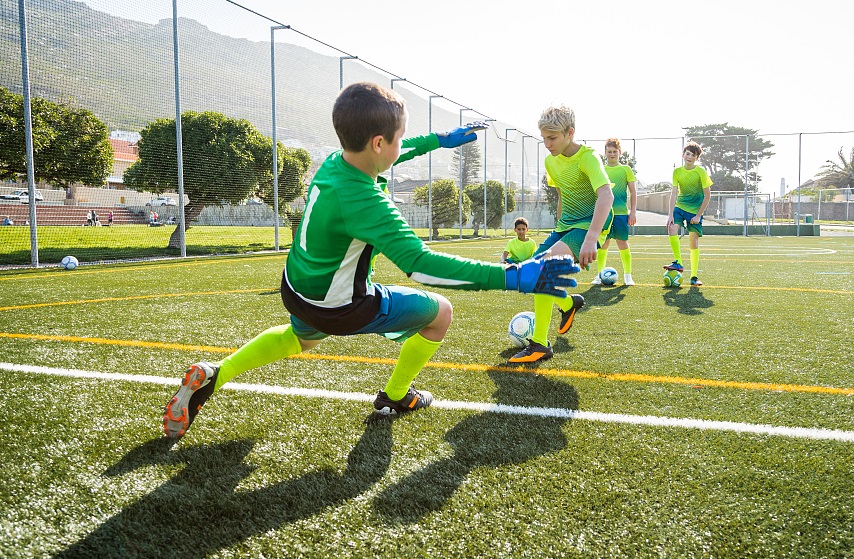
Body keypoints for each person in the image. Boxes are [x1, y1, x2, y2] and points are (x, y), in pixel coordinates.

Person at [163, 82, 579, 440]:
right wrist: (516, 277)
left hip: (296, 288)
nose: (401, 145)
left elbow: (393, 153)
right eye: (399, 138)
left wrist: (438, 140)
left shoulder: (332, 162)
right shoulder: (369, 202)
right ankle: (396, 395)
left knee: (301, 339)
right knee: (440, 314)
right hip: (340, 306)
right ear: (379, 143)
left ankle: (217, 372)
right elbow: (421, 265)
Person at [509, 105, 613, 363]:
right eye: (543, 138)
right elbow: (563, 194)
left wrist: (591, 238)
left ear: (570, 132)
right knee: (531, 269)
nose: (547, 144)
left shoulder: (588, 158)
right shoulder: (550, 161)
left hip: (589, 226)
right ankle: (568, 305)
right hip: (566, 225)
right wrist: (558, 229)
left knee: (543, 267)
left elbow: (606, 195)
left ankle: (540, 345)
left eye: (552, 138)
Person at [663, 140, 713, 287]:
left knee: (693, 242)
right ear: (683, 154)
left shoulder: (701, 172)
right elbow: (673, 194)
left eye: (693, 155)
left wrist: (698, 215)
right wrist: (670, 214)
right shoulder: (677, 172)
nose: (690, 157)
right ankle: (678, 262)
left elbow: (708, 195)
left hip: (694, 211)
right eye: (688, 154)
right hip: (680, 207)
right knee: (672, 228)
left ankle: (694, 276)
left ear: (697, 158)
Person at [590, 138, 637, 286]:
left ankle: (628, 276)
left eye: (614, 151)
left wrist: (633, 212)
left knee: (623, 243)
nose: (612, 154)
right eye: (609, 152)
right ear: (605, 153)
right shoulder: (600, 169)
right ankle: (599, 275)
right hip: (604, 214)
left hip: (621, 213)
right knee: (603, 244)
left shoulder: (626, 169)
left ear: (619, 152)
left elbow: (633, 192)